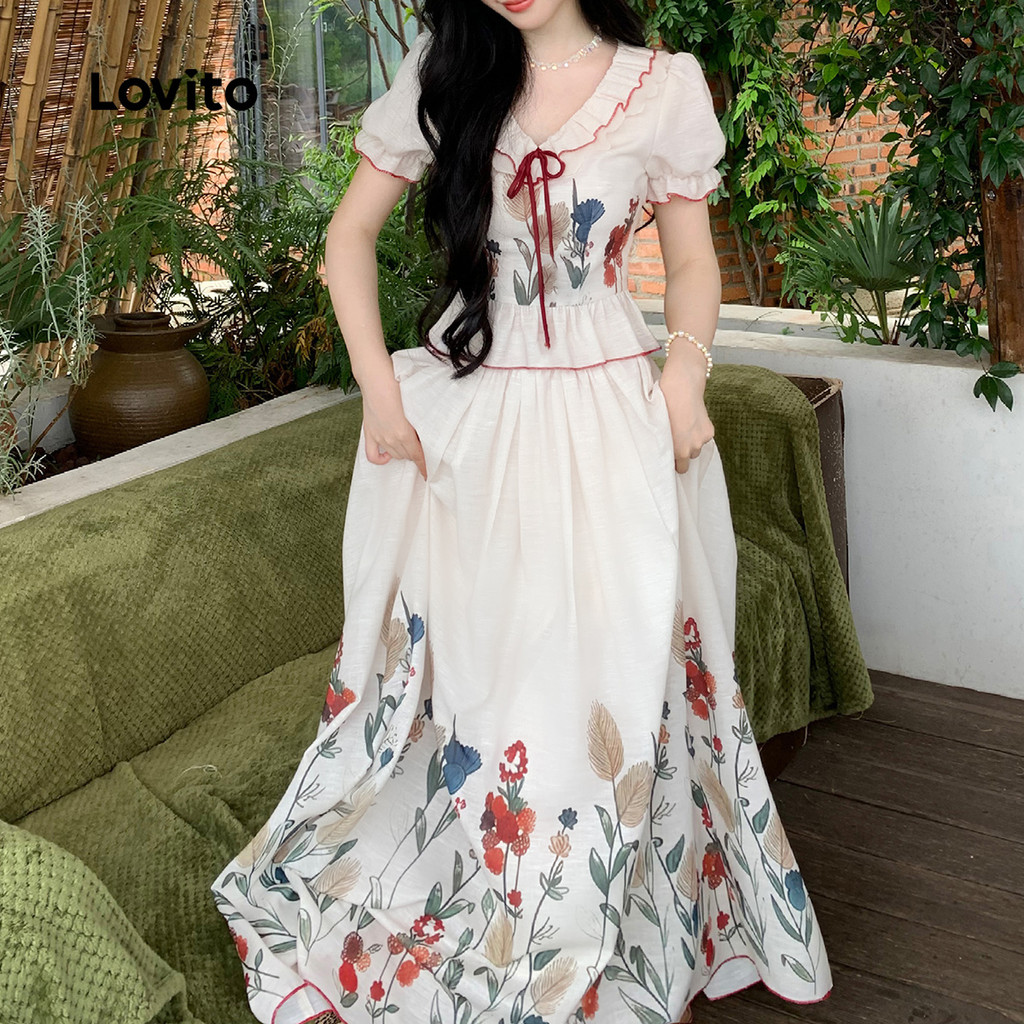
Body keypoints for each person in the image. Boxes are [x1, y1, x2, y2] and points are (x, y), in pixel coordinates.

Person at [209, 1, 834, 1022]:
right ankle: (513, 924)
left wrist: (685, 379)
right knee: (497, 691)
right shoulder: (445, 69)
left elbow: (691, 264)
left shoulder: (661, 86)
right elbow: (348, 234)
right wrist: (378, 392)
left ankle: (627, 948)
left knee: (623, 679)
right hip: (478, 428)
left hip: (615, 425)